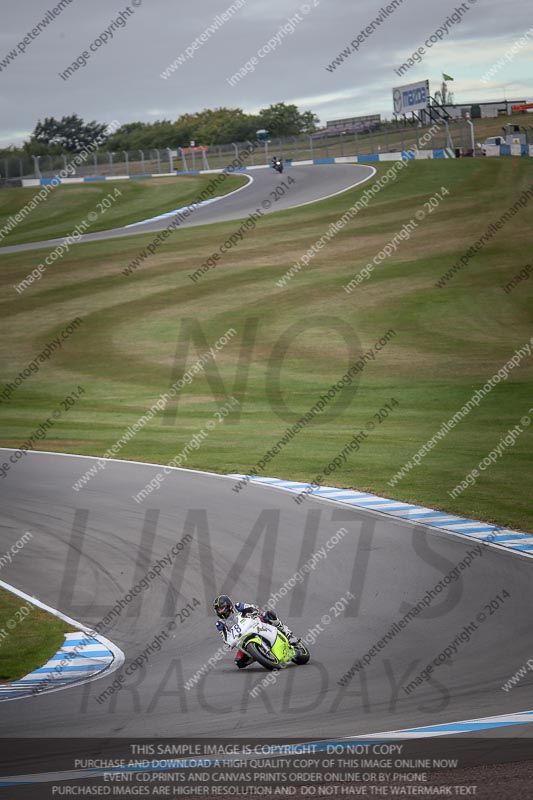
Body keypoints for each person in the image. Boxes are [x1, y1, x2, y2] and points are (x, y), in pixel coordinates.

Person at [213, 594, 299, 669]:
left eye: (221, 608)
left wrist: (254, 611)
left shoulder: (238, 606)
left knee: (268, 615)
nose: (220, 611)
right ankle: (257, 655)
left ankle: (287, 633)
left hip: (255, 623)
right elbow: (225, 636)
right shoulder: (220, 623)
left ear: (228, 606)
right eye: (218, 609)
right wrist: (228, 643)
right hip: (242, 637)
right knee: (239, 662)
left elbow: (252, 607)